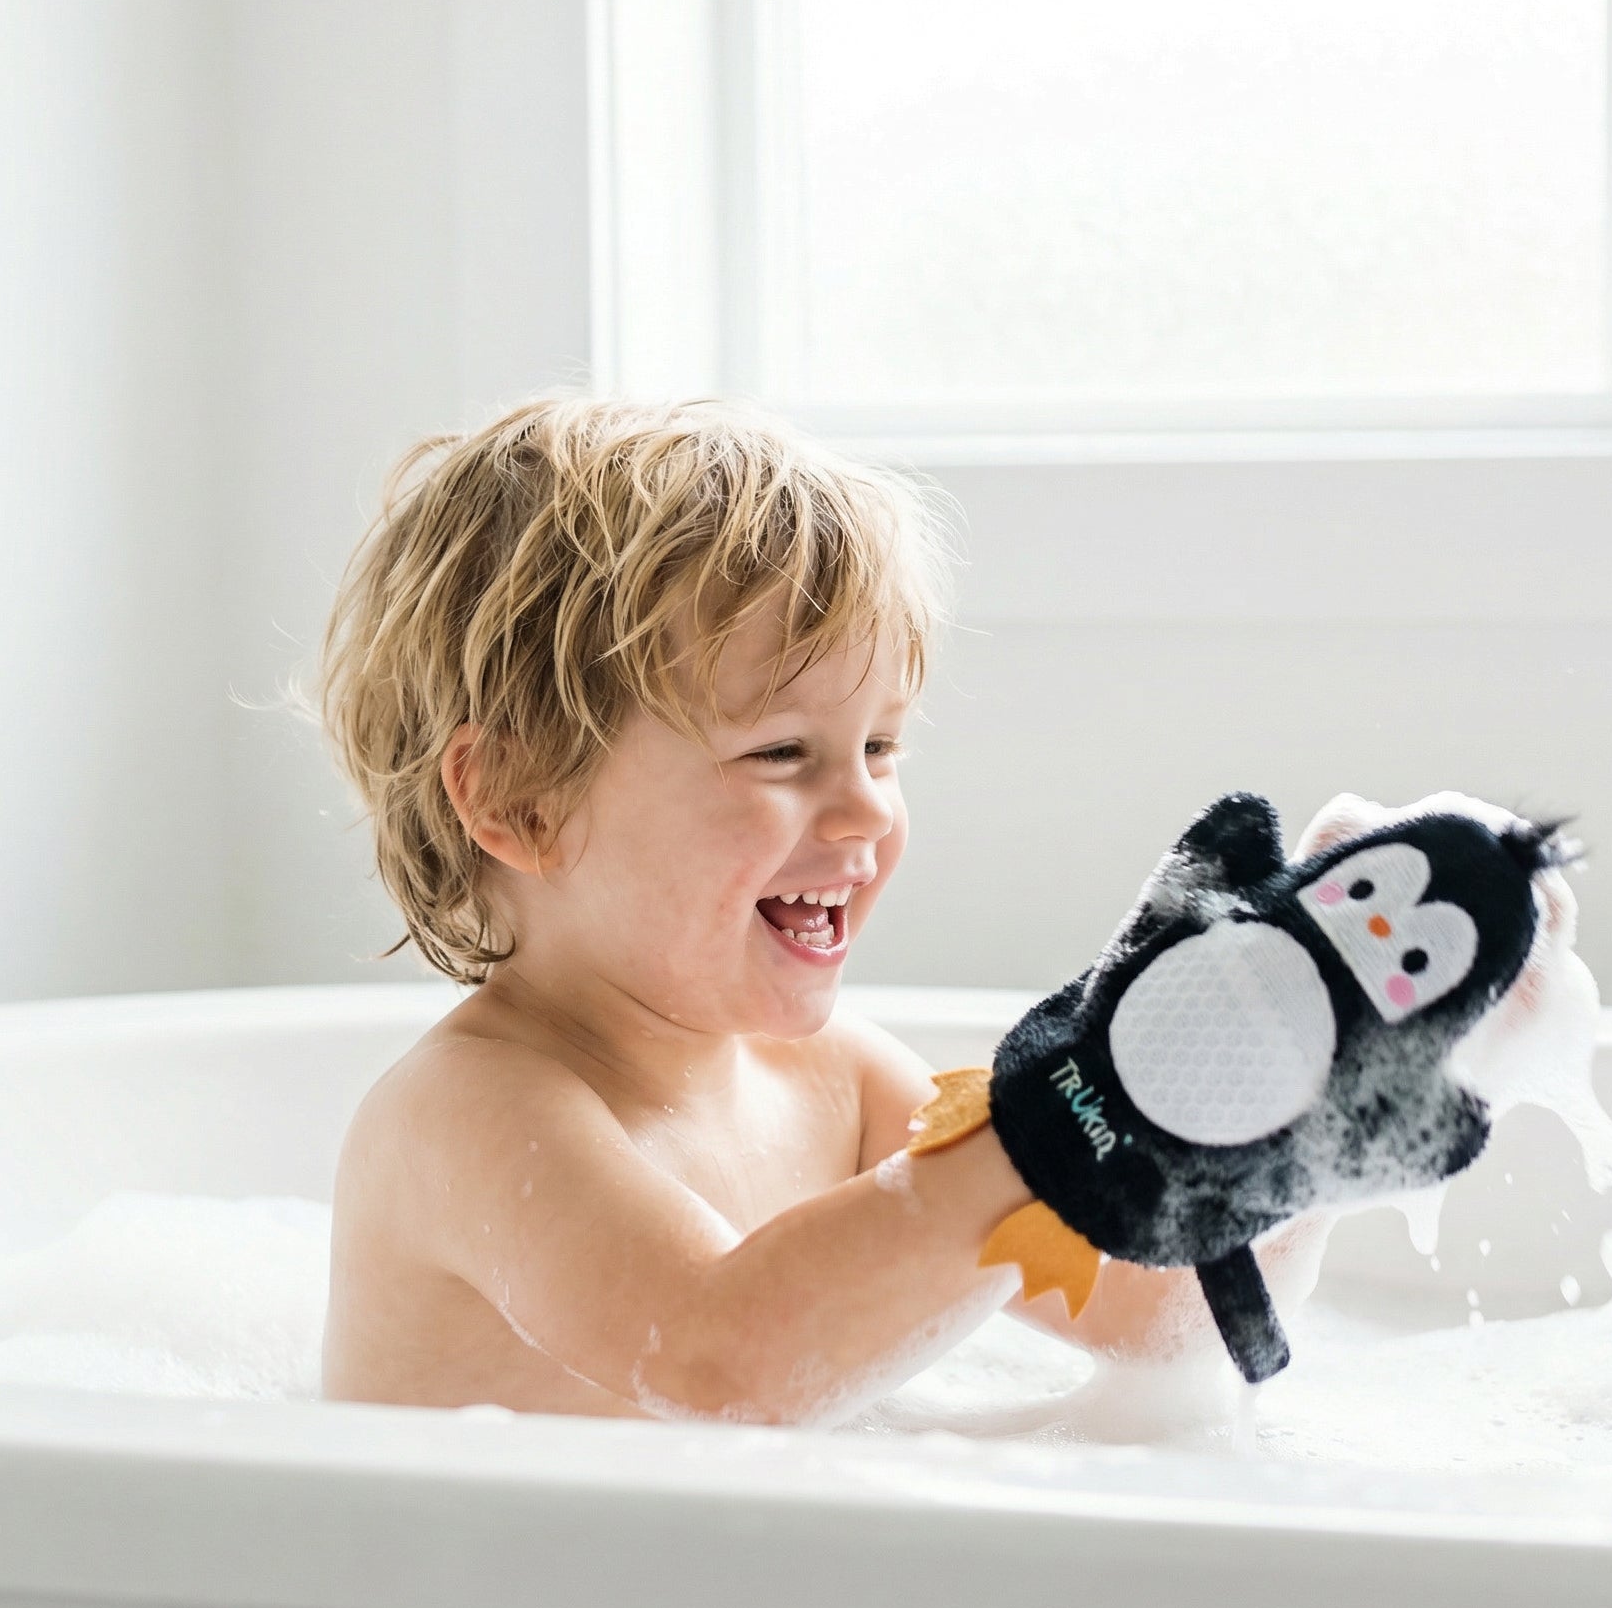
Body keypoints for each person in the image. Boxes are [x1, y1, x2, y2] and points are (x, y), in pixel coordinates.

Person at [315, 394, 1327, 1420]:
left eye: (881, 746)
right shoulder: (464, 1117)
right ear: (518, 800)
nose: (864, 812)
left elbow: (1160, 1315)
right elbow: (721, 1362)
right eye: (781, 752)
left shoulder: (836, 1077)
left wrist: (1327, 1069)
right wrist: (1033, 1132)